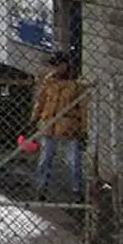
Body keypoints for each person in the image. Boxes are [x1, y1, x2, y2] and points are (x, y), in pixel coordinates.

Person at [31, 52, 89, 197]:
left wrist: (84, 129)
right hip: (49, 125)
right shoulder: (49, 81)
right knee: (45, 159)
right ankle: (41, 188)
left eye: (57, 65)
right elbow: (41, 101)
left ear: (65, 65)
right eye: (53, 66)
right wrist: (34, 118)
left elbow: (83, 109)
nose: (54, 69)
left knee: (73, 161)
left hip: (69, 126)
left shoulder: (77, 85)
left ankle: (76, 190)